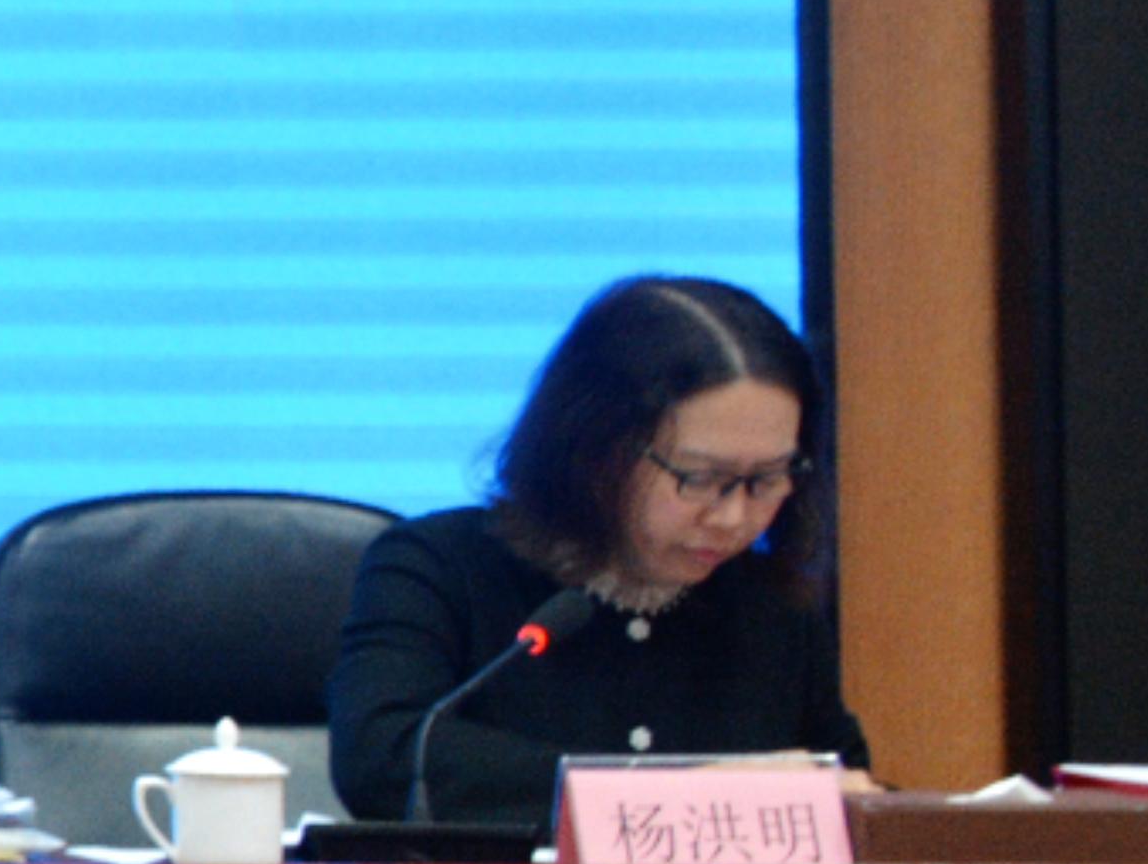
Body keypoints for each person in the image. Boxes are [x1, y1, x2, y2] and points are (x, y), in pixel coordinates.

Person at [330, 272, 868, 827]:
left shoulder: (773, 607)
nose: (734, 517)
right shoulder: (439, 567)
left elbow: (847, 786)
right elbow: (384, 758)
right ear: (594, 450)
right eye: (701, 478)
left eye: (768, 478)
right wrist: (679, 794)